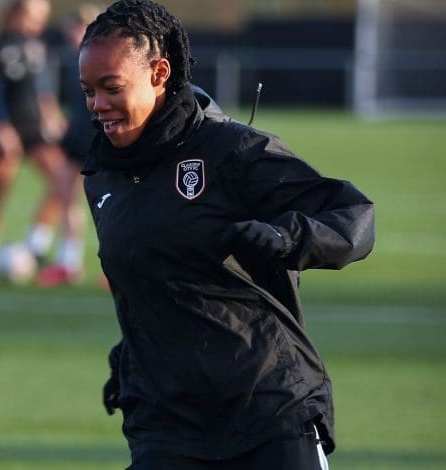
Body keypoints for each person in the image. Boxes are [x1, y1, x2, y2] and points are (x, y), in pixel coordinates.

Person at [78, 1, 375, 469]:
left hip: (268, 409)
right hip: (166, 423)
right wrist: (132, 355)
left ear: (158, 73)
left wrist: (286, 239)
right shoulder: (101, 175)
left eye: (110, 87)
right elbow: (152, 277)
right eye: (88, 91)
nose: (97, 105)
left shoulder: (230, 150)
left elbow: (353, 216)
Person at [0, 0, 71, 271]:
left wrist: (52, 116)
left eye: (43, 17)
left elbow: (42, 88)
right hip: (8, 125)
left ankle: (36, 243)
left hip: (35, 127)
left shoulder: (36, 46)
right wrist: (1, 126)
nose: (38, 22)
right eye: (34, 16)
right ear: (16, 14)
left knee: (61, 181)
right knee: (0, 190)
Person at [37, 3, 102, 287]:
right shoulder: (73, 59)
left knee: (107, 205)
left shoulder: (103, 60)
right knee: (66, 197)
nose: (71, 34)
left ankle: (113, 267)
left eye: (78, 28)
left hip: (98, 139)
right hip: (75, 137)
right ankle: (68, 262)